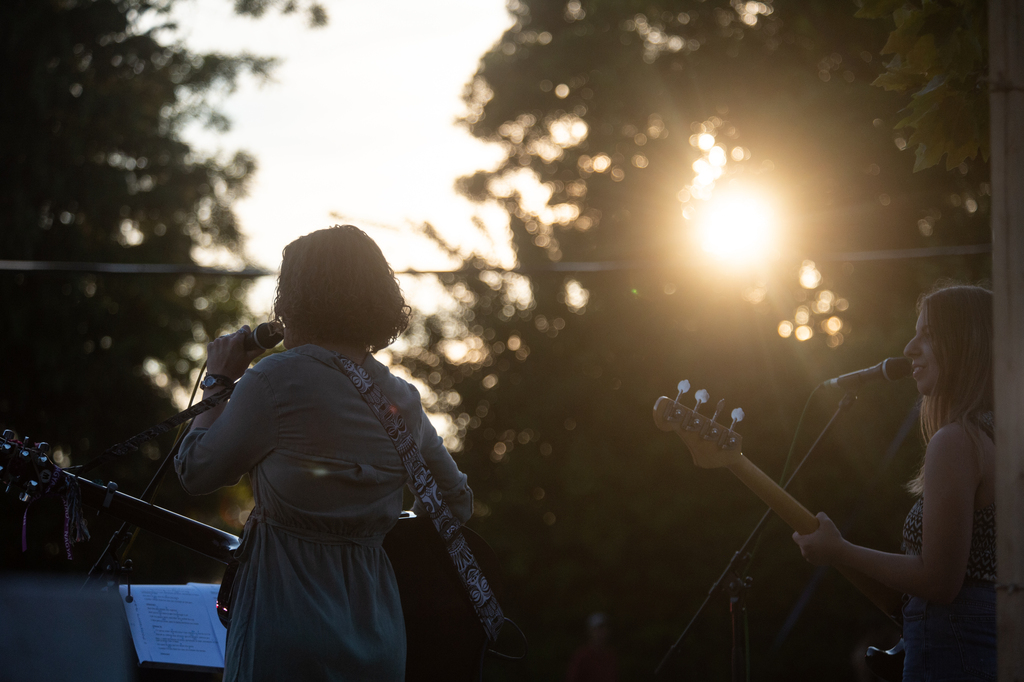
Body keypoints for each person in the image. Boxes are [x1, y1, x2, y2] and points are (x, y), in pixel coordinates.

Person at [175, 225, 474, 682]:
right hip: (378, 636)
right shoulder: (401, 399)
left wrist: (218, 380)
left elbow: (194, 471)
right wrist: (364, 528)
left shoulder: (275, 379)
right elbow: (455, 502)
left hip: (284, 632)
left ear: (294, 300)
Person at [792, 284, 996, 681]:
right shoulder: (999, 436)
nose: (909, 347)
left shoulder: (957, 441)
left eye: (929, 334)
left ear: (967, 344)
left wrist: (839, 550)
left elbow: (940, 581)